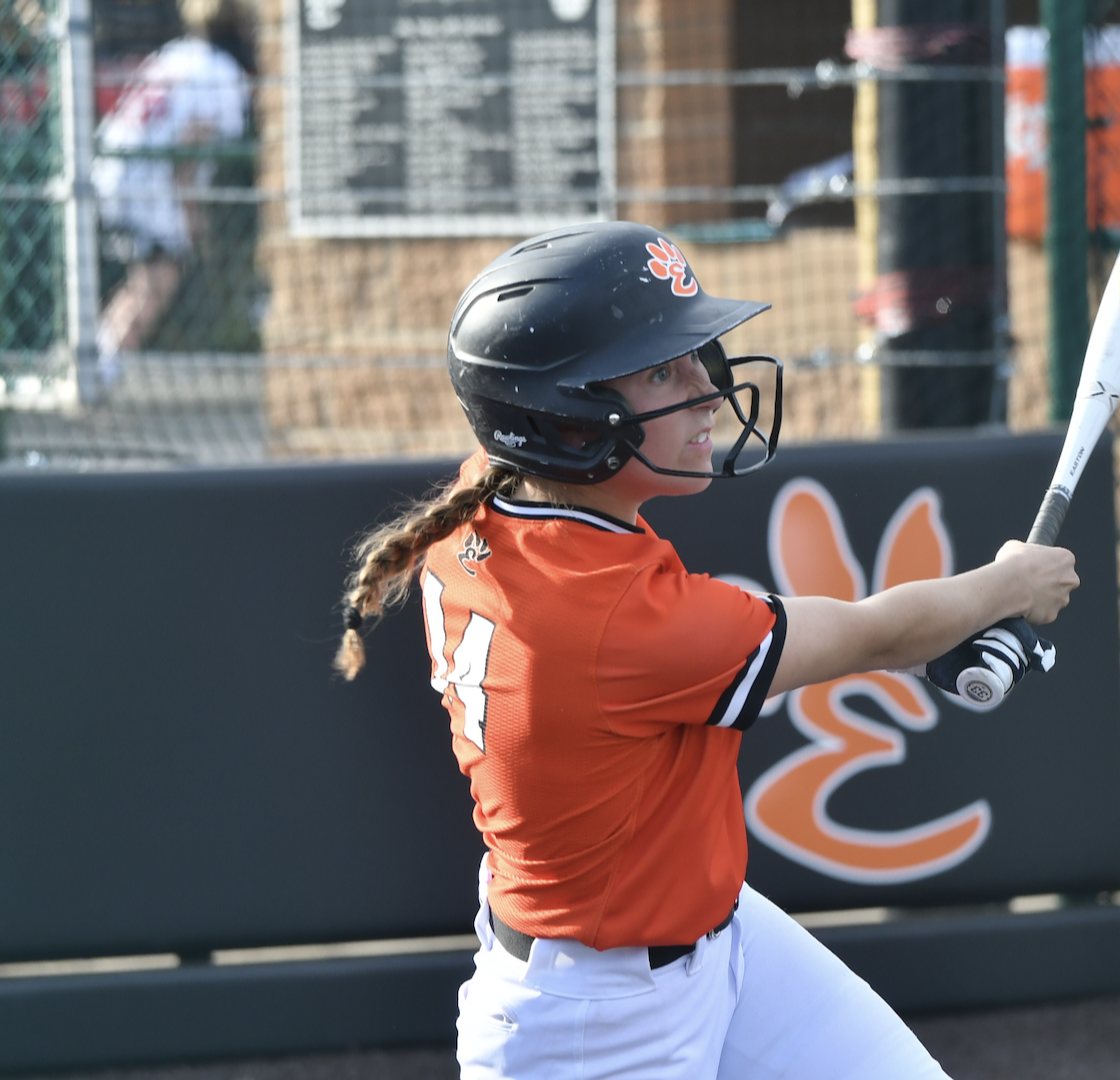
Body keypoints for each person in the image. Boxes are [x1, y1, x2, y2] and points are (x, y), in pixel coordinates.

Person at [334, 220, 1079, 1079]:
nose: (707, 390)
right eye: (662, 371)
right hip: (595, 1023)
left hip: (712, 936)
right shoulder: (616, 618)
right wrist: (1009, 584)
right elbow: (868, 630)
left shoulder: (493, 500)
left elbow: (731, 652)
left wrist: (923, 648)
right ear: (567, 421)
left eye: (693, 357)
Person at [91, 0, 254, 389]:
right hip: (146, 181)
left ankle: (97, 359)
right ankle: (99, 369)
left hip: (113, 168)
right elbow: (189, 145)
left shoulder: (178, 52)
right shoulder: (223, 71)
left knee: (147, 278)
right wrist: (190, 212)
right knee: (158, 278)